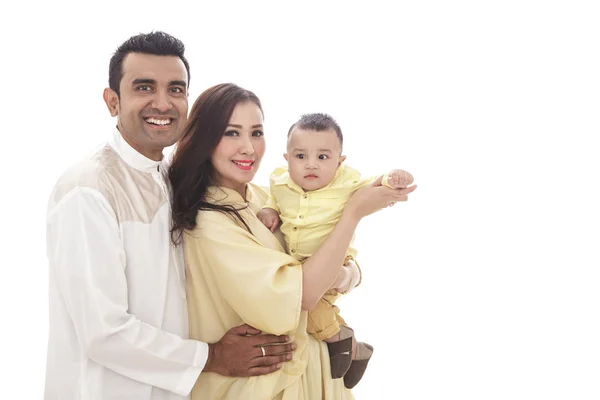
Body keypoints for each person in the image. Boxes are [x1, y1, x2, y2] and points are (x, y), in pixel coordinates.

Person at [45, 32, 294, 400]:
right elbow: (104, 332)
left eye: (176, 89)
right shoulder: (88, 190)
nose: (163, 103)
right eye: (144, 87)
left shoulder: (172, 179)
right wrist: (211, 356)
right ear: (112, 101)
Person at [168, 83, 417, 399]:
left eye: (256, 133)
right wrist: (353, 214)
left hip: (316, 373)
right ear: (206, 139)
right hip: (265, 386)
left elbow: (323, 256)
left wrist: (349, 274)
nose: (248, 147)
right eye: (232, 133)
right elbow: (304, 294)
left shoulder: (264, 198)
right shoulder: (208, 221)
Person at [256, 112, 415, 387]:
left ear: (340, 162)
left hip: (333, 260)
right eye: (301, 156)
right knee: (318, 306)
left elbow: (375, 185)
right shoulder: (280, 182)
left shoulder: (346, 183)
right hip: (302, 264)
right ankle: (355, 348)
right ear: (287, 158)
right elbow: (275, 199)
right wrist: (270, 209)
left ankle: (340, 340)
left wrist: (393, 178)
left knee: (305, 310)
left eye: (323, 157)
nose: (311, 165)